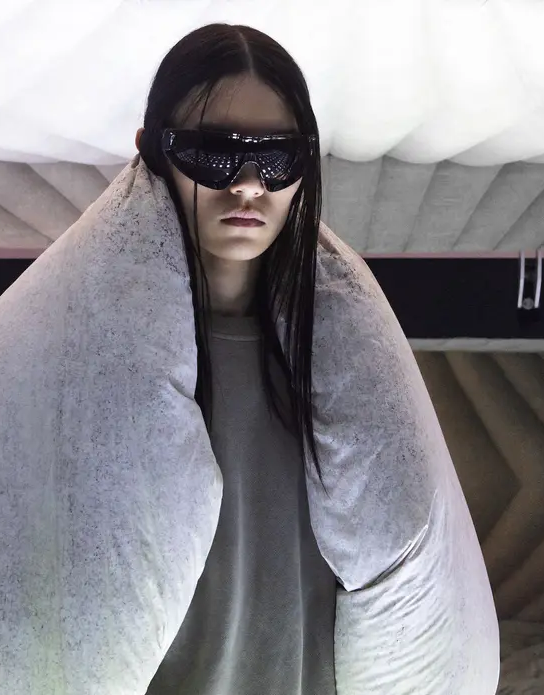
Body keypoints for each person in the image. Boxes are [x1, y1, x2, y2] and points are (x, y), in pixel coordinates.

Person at [135, 23, 338, 695]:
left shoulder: (343, 354)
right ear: (152, 153)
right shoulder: (110, 355)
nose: (249, 184)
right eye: (213, 152)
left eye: (278, 156)